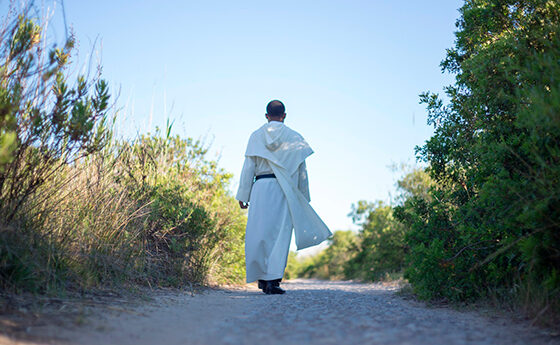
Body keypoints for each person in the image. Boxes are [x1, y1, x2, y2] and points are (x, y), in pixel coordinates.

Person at [236, 100, 332, 295]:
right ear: (285, 115)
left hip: (260, 187)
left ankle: (262, 279)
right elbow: (301, 169)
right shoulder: (295, 137)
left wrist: (243, 194)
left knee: (259, 233)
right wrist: (302, 196)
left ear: (266, 116)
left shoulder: (256, 136)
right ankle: (273, 280)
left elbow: (248, 168)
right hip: (284, 189)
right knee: (280, 235)